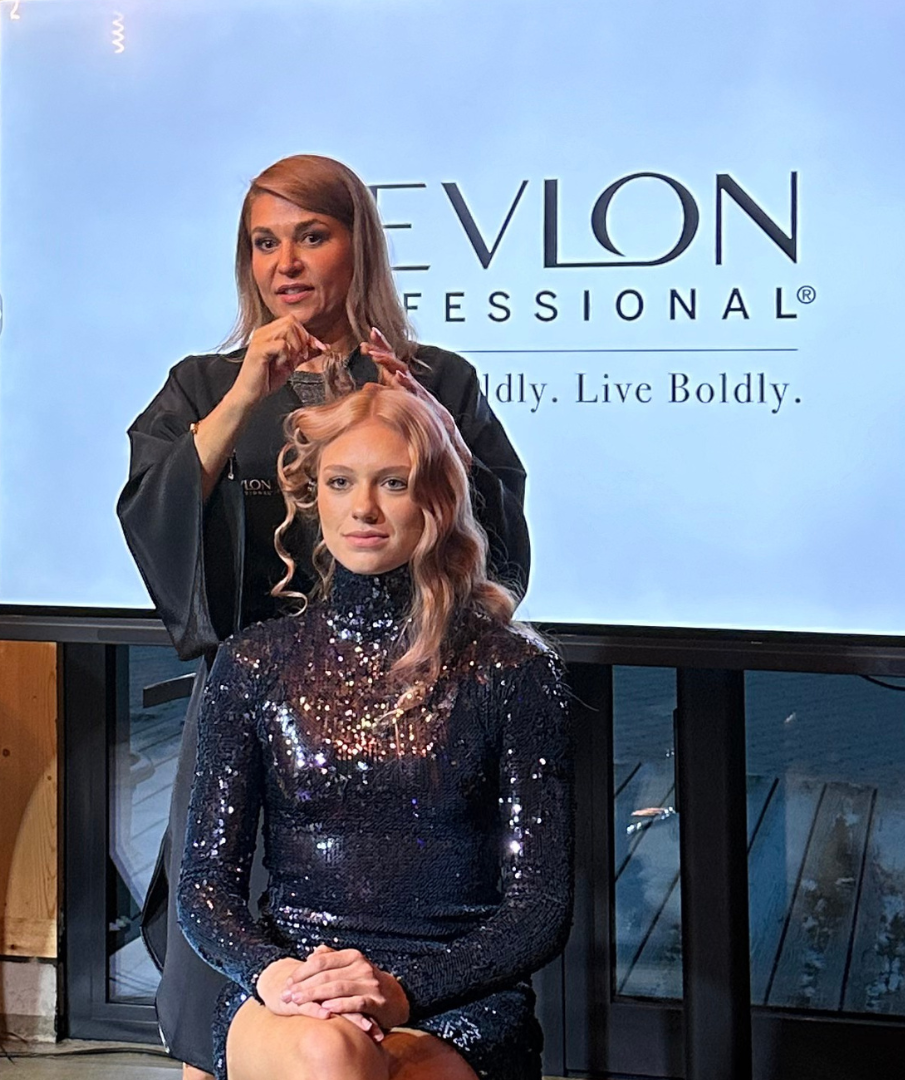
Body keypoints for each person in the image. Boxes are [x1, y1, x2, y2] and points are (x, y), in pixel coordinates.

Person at [117, 154, 530, 1078]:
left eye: (312, 236)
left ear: (359, 246)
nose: (287, 263)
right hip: (255, 718)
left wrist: (423, 418)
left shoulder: (439, 378)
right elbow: (153, 518)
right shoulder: (203, 385)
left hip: (413, 718)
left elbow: (495, 547)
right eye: (265, 243)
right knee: (228, 980)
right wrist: (242, 399)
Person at [176, 380, 572, 1080]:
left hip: (456, 996)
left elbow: (540, 909)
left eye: (393, 482)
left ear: (438, 499)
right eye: (340, 482)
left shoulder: (512, 670)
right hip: (296, 985)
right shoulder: (255, 662)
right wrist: (278, 976)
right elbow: (205, 886)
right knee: (330, 1051)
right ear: (314, 496)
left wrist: (400, 992)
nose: (362, 507)